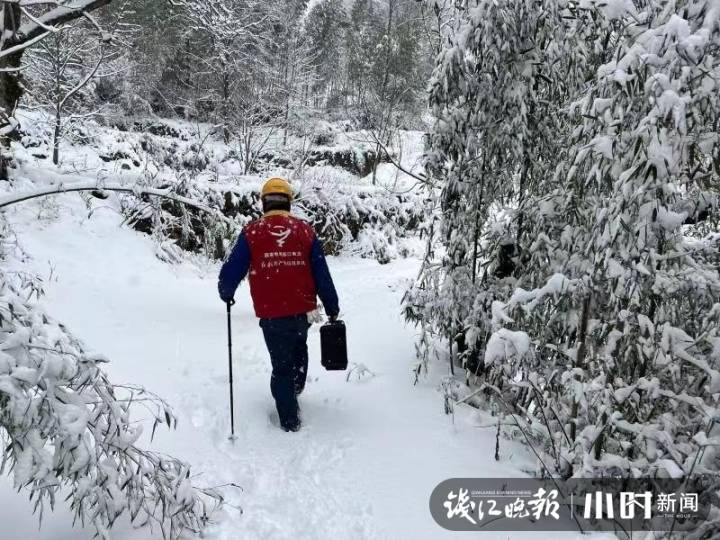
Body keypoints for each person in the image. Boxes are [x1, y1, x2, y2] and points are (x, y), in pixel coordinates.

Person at [218, 177, 340, 432]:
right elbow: (321, 272)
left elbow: (232, 269)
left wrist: (226, 290)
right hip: (302, 311)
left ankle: (289, 416)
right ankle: (293, 391)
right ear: (288, 202)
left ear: (264, 203)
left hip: (272, 315)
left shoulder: (252, 232)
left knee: (281, 364)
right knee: (299, 350)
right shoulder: (305, 231)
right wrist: (331, 305)